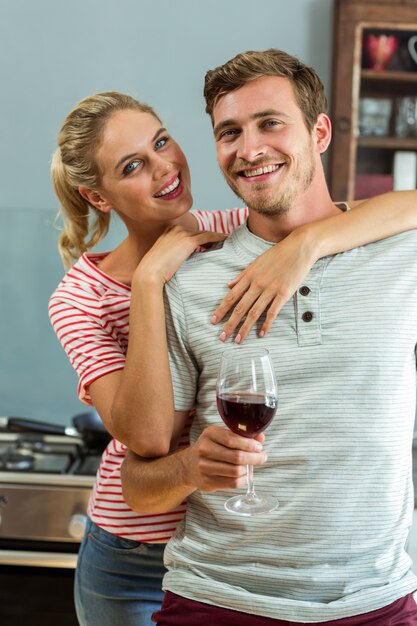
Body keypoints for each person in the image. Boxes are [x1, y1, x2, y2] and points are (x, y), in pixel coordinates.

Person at [121, 49, 417, 625]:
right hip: (216, 602)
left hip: (373, 605)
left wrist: (307, 245)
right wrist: (187, 470)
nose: (249, 149)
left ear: (320, 132)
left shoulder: (403, 253)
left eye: (270, 123)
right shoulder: (190, 282)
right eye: (229, 132)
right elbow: (140, 484)